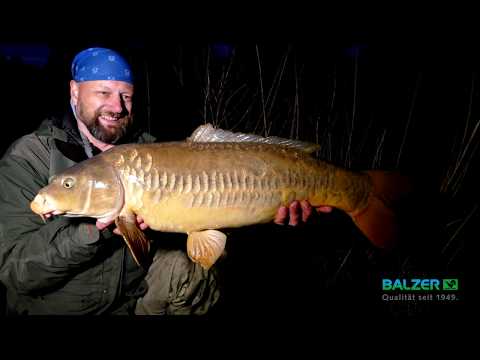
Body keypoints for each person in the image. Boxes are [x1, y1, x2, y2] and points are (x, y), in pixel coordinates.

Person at [0, 47, 330, 316]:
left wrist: (261, 207)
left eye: (126, 96)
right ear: (74, 91)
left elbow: (204, 209)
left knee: (195, 272)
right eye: (103, 92)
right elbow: (16, 272)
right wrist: (90, 232)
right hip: (56, 308)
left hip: (131, 298)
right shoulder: (29, 156)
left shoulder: (148, 147)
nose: (117, 106)